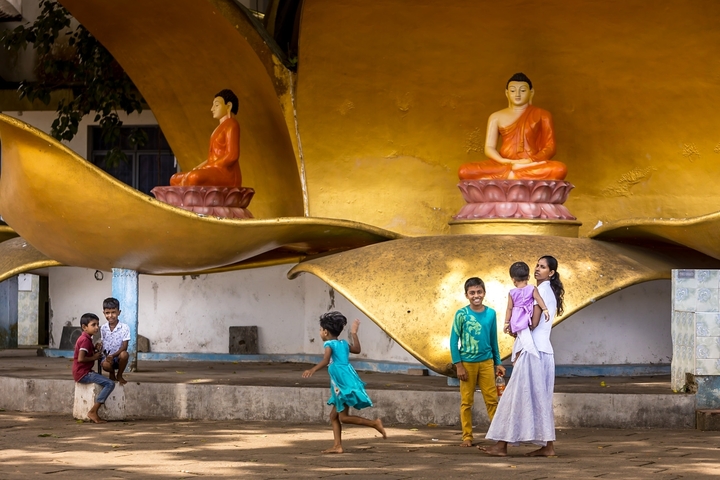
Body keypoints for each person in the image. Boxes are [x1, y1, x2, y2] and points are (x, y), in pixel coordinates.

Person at [482, 255, 565, 457]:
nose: (537, 269)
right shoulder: (548, 291)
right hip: (543, 351)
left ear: (551, 273)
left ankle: (502, 445)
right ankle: (548, 446)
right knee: (540, 398)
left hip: (533, 351)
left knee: (514, 396)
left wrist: (514, 327)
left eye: (543, 267)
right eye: (537, 266)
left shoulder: (541, 290)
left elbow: (533, 322)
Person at [302, 312, 386, 453]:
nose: (320, 333)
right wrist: (354, 333)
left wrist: (313, 369)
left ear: (325, 331)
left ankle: (374, 423)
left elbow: (325, 360)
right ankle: (337, 446)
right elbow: (357, 350)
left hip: (341, 384)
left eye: (320, 330)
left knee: (344, 417)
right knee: (333, 416)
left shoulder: (329, 344)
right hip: (345, 380)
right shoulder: (344, 344)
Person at [458, 73, 567, 181]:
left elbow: (550, 147)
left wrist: (530, 161)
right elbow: (489, 148)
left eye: (523, 90)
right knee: (464, 171)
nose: (518, 94)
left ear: (531, 92)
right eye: (513, 90)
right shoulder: (496, 117)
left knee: (559, 169)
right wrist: (504, 161)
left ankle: (508, 176)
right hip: (502, 163)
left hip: (531, 164)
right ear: (507, 93)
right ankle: (515, 174)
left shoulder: (543, 114)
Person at [450, 277, 506, 447]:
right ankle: (467, 436)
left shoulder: (491, 313)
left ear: (484, 293)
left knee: (492, 401)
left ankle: (499, 436)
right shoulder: (461, 314)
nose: (476, 295)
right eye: (472, 293)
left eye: (479, 292)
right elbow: (453, 341)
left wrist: (498, 363)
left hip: (487, 363)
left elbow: (493, 340)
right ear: (466, 295)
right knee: (466, 402)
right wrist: (458, 365)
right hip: (467, 364)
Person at [170, 89, 242, 187]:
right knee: (174, 179)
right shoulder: (218, 128)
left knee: (193, 177)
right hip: (213, 169)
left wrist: (207, 167)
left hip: (226, 172)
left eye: (216, 105)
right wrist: (199, 167)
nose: (212, 109)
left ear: (228, 106)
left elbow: (232, 155)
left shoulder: (232, 124)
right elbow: (211, 158)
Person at [73, 313, 115, 424]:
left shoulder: (86, 339)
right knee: (110, 384)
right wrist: (94, 357)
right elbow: (81, 359)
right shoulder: (85, 340)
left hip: (82, 372)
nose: (97, 327)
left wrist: (94, 349)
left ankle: (94, 410)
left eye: (98, 324)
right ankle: (93, 411)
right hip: (83, 373)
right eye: (93, 325)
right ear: (84, 327)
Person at [504, 261, 550, 362]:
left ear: (513, 279)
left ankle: (518, 358)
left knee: (520, 340)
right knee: (524, 340)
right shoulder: (532, 288)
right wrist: (545, 309)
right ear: (528, 277)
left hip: (516, 319)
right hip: (526, 318)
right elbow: (538, 299)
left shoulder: (512, 292)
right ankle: (527, 355)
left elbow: (509, 308)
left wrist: (506, 323)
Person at [100, 297, 130, 385]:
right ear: (104, 313)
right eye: (107, 313)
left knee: (124, 354)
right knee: (105, 365)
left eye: (113, 312)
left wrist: (113, 356)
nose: (110, 315)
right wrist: (99, 347)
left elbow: (124, 347)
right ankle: (112, 373)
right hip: (107, 357)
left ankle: (119, 375)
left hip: (118, 357)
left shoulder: (125, 327)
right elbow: (103, 343)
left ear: (119, 312)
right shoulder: (103, 328)